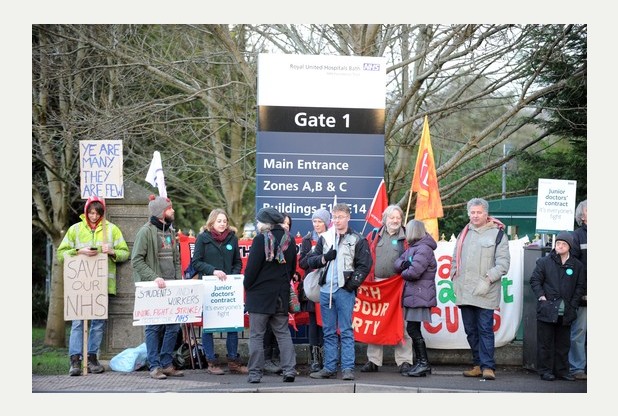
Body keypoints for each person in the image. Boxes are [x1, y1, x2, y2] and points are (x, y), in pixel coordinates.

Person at [57, 196, 130, 376]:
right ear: (86, 211)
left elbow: (125, 253)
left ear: (102, 213)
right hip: (80, 286)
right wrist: (78, 251)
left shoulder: (112, 230)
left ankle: (91, 358)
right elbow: (61, 254)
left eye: (97, 213)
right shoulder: (75, 229)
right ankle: (75, 361)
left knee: (97, 324)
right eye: (91, 212)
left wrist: (112, 251)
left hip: (102, 286)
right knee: (77, 323)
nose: (94, 216)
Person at [305, 203, 372, 381]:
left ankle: (348, 368)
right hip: (326, 291)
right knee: (328, 331)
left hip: (344, 291)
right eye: (334, 217)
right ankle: (329, 367)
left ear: (348, 217)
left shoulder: (357, 238)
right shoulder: (326, 238)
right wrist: (324, 258)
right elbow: (309, 261)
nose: (337, 220)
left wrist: (351, 285)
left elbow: (364, 265)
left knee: (346, 330)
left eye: (340, 217)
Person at [450, 197, 510, 380]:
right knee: (471, 330)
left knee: (484, 329)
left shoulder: (498, 234)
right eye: (472, 212)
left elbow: (503, 264)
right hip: (465, 291)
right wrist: (454, 275)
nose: (475, 216)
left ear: (486, 214)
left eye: (479, 212)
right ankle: (477, 364)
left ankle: (488, 367)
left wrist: (488, 279)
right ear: (469, 214)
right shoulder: (464, 233)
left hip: (486, 290)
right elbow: (455, 258)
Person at [131, 194, 184, 380]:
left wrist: (178, 281)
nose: (173, 211)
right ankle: (154, 366)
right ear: (162, 212)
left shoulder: (170, 232)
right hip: (154, 289)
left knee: (173, 326)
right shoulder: (145, 232)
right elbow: (136, 260)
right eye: (170, 208)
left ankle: (166, 363)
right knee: (153, 327)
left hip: (171, 288)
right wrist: (154, 278)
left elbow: (176, 260)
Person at [243, 207, 298, 383]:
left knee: (257, 335)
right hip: (280, 295)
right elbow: (291, 270)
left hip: (260, 296)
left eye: (259, 221)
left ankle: (254, 374)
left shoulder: (260, 240)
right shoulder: (290, 240)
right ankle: (289, 370)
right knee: (283, 333)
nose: (258, 224)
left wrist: (248, 286)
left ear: (266, 223)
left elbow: (251, 270)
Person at [190, 208, 248, 375]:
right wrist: (213, 271)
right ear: (212, 222)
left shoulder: (232, 238)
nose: (222, 224)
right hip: (209, 286)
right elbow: (197, 262)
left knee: (232, 324)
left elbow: (237, 261)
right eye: (219, 221)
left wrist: (234, 276)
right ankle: (211, 362)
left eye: (224, 221)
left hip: (228, 288)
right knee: (209, 325)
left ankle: (233, 361)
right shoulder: (203, 238)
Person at [359, 205, 414, 375]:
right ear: (385, 219)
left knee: (401, 324)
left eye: (398, 217)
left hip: (398, 286)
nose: (395, 221)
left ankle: (404, 361)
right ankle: (373, 361)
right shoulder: (374, 235)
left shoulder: (408, 237)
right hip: (377, 286)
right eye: (392, 218)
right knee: (376, 323)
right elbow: (365, 257)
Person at [530, 231, 586, 381]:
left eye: (563, 244)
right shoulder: (544, 262)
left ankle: (562, 371)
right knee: (545, 343)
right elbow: (535, 280)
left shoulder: (577, 265)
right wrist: (542, 297)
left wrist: (573, 304)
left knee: (563, 343)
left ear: (569, 247)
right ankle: (545, 371)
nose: (560, 246)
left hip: (566, 310)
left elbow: (580, 287)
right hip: (547, 308)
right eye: (558, 244)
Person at [394, 219, 437, 377]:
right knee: (413, 329)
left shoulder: (423, 249)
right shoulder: (415, 248)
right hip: (415, 294)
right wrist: (404, 265)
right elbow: (397, 263)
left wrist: (403, 272)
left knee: (413, 329)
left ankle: (423, 363)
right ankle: (421, 363)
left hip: (420, 294)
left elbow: (413, 273)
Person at [298, 208, 330, 373]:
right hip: (312, 287)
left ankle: (328, 357)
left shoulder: (332, 237)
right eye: (314, 221)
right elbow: (303, 263)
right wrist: (314, 255)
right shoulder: (307, 240)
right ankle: (315, 359)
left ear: (326, 223)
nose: (317, 225)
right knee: (313, 323)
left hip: (329, 285)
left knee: (328, 323)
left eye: (320, 221)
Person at [569, 200, 587, 380]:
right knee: (579, 332)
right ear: (582, 216)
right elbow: (572, 267)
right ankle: (577, 368)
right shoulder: (576, 237)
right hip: (584, 295)